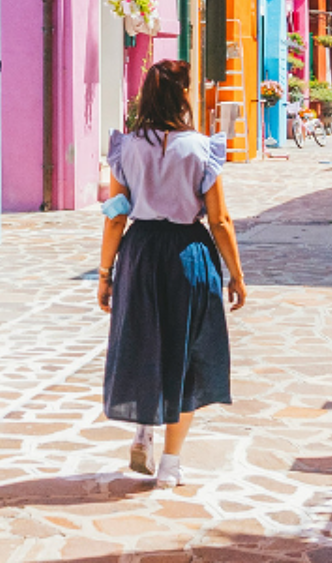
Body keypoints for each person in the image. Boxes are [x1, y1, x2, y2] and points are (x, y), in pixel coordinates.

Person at [96, 59, 248, 486]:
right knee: (188, 354)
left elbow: (114, 216)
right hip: (188, 254)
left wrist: (106, 272)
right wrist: (236, 274)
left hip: (141, 253)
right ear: (183, 96)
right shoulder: (202, 149)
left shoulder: (125, 148)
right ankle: (171, 466)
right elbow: (219, 220)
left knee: (143, 340)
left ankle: (143, 430)